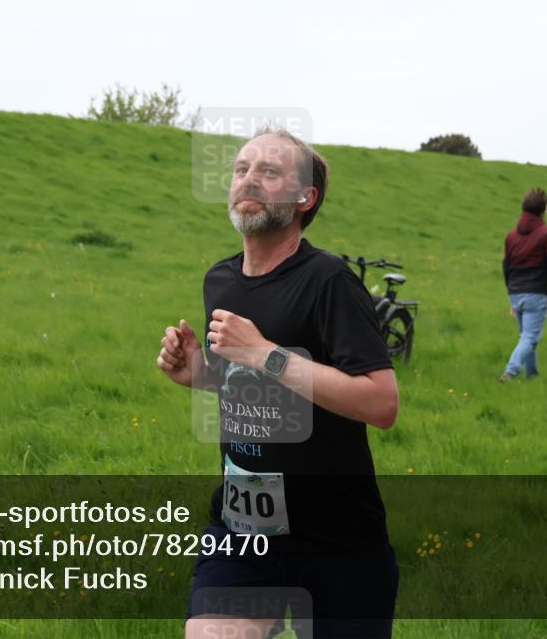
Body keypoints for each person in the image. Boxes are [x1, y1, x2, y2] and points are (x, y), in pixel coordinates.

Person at [156, 128, 400, 638]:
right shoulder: (219, 280)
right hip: (243, 531)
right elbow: (247, 383)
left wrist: (264, 353)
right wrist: (198, 374)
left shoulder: (330, 282)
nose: (249, 179)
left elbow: (381, 402)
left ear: (304, 197)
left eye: (270, 172)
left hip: (338, 541)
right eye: (241, 169)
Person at [500, 187, 547, 382]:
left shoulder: (511, 236)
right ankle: (511, 371)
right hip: (536, 292)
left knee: (526, 336)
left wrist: (510, 295)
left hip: (515, 291)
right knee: (530, 337)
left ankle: (532, 375)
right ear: (544, 209)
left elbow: (506, 266)